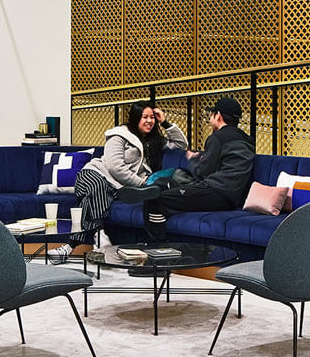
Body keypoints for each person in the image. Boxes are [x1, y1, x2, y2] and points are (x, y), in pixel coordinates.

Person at [67, 103, 187, 251]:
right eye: (145, 117)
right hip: (95, 173)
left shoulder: (154, 141)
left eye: (152, 117)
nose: (149, 121)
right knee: (98, 187)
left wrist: (165, 122)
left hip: (119, 186)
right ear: (135, 118)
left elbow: (181, 144)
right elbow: (114, 166)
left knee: (92, 198)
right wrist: (140, 183)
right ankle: (99, 234)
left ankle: (70, 246)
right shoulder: (119, 136)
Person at [135, 96, 255, 241]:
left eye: (211, 115)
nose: (210, 119)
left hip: (216, 193)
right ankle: (151, 188)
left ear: (218, 116)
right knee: (167, 183)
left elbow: (202, 173)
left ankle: (158, 248)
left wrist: (194, 159)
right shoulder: (247, 140)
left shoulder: (217, 138)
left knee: (155, 199)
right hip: (231, 197)